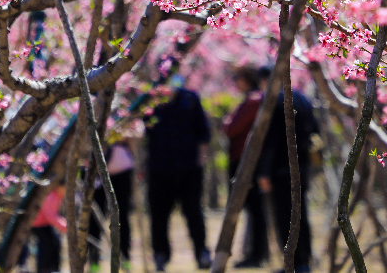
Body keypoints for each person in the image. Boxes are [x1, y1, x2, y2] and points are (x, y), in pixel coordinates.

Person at [145, 74, 212, 271]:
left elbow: (203, 132)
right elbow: (143, 131)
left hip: (189, 168)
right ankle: (160, 256)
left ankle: (201, 252)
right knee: (159, 215)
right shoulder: (151, 101)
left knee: (193, 212)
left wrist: (200, 161)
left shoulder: (190, 99)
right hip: (159, 168)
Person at [257, 89, 319, 273]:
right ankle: (304, 262)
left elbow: (271, 138)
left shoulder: (274, 101)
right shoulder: (303, 99)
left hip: (281, 170)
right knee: (301, 216)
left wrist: (264, 171)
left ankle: (292, 264)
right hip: (303, 167)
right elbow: (315, 131)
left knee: (285, 218)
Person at [221, 65, 269, 268]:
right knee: (254, 210)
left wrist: (227, 121)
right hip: (246, 160)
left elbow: (231, 128)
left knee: (255, 210)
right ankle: (255, 253)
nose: (235, 82)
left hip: (247, 162)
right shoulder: (253, 99)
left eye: (237, 78)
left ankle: (256, 254)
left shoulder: (253, 101)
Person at [88, 140, 135, 271]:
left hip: (121, 171)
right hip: (95, 174)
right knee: (93, 220)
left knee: (122, 218)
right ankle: (93, 261)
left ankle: (125, 258)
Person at [31, 184, 67, 273]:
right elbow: (50, 216)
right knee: (47, 246)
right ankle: (43, 269)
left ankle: (54, 268)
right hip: (38, 224)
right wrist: (64, 226)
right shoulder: (51, 196)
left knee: (55, 243)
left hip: (44, 223)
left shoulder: (58, 196)